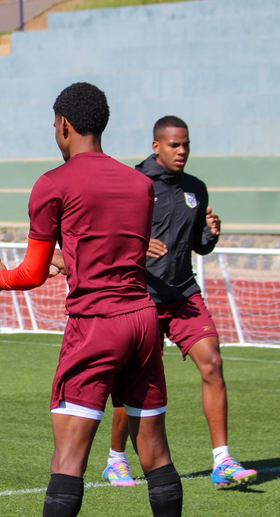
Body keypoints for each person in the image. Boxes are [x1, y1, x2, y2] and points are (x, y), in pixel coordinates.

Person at [0, 83, 183, 517]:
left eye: (54, 125)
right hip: (142, 321)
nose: (55, 132)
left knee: (69, 457)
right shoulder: (140, 184)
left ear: (65, 126)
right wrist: (68, 263)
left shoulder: (53, 183)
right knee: (155, 452)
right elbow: (114, 252)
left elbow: (29, 273)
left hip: (96, 326)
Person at [101, 116, 257, 490]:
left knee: (213, 362)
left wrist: (211, 233)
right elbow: (110, 237)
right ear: (157, 146)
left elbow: (199, 244)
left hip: (183, 292)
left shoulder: (195, 188)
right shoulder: (134, 183)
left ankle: (222, 461)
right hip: (142, 296)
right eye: (174, 144)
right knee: (134, 383)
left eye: (186, 144)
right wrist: (137, 245)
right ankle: (116, 460)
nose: (182, 150)